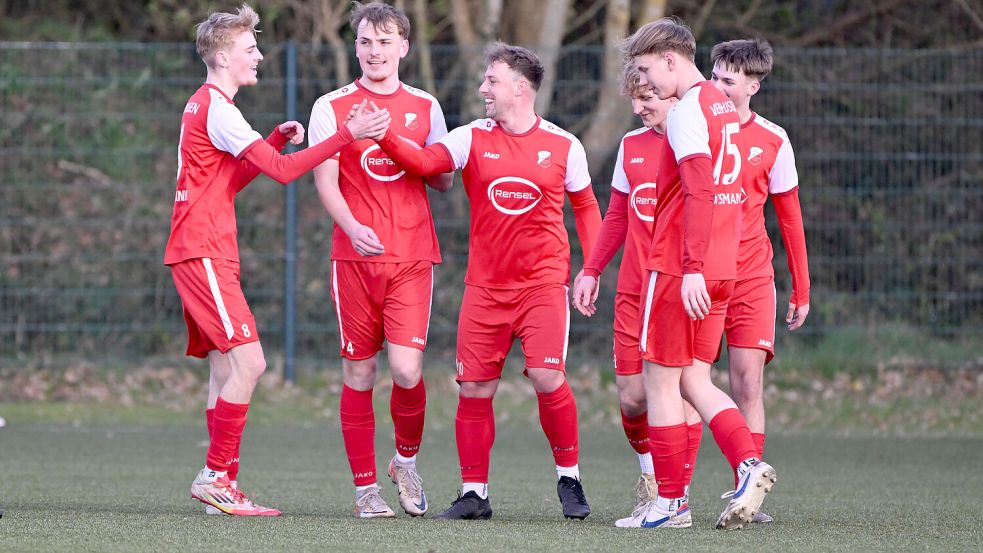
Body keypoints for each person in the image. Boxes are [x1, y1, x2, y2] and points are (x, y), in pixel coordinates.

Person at [166, 4, 389, 517]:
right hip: (202, 251)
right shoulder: (217, 108)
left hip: (203, 250)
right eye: (250, 49)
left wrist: (268, 141)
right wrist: (345, 136)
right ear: (223, 58)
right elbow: (286, 174)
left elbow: (228, 180)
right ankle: (217, 476)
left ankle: (221, 484)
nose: (259, 56)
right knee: (252, 362)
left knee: (225, 370)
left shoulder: (207, 106)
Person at [368, 42, 602, 521]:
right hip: (485, 288)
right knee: (474, 389)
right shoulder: (471, 136)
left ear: (521, 89)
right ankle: (474, 493)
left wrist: (590, 268)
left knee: (546, 375)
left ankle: (570, 479)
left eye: (492, 81)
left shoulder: (563, 144)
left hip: (542, 285)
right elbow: (427, 163)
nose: (483, 89)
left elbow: (586, 208)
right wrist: (385, 135)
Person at [619, 18, 777, 530]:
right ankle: (748, 464)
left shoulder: (688, 109)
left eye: (646, 69)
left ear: (669, 59)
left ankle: (671, 505)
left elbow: (700, 192)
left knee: (661, 381)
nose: (646, 82)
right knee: (694, 378)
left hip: (680, 264)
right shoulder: (718, 102)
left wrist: (689, 268)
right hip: (726, 263)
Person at [307, 1, 453, 519]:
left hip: (412, 255)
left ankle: (405, 462)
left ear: (404, 48)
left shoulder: (426, 106)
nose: (375, 52)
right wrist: (352, 227)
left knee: (406, 370)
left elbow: (442, 175)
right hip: (353, 260)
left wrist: (411, 154)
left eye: (385, 42)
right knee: (359, 373)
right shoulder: (330, 105)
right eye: (366, 42)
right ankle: (365, 490)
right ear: (356, 47)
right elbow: (325, 180)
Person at [571, 63, 702, 525]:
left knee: (679, 390)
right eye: (633, 98)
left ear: (672, 94)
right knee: (632, 396)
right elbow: (617, 216)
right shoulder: (631, 146)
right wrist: (590, 269)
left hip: (677, 285)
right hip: (633, 288)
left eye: (647, 97)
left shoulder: (695, 141)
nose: (638, 107)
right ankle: (652, 476)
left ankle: (674, 496)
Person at [709, 38, 810, 523]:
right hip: (699, 276)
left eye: (728, 80)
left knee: (747, 383)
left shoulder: (774, 139)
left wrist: (801, 288)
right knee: (687, 382)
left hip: (751, 277)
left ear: (754, 85)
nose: (717, 86)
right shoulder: (691, 129)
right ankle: (672, 495)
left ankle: (748, 493)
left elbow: (789, 218)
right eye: (714, 75)